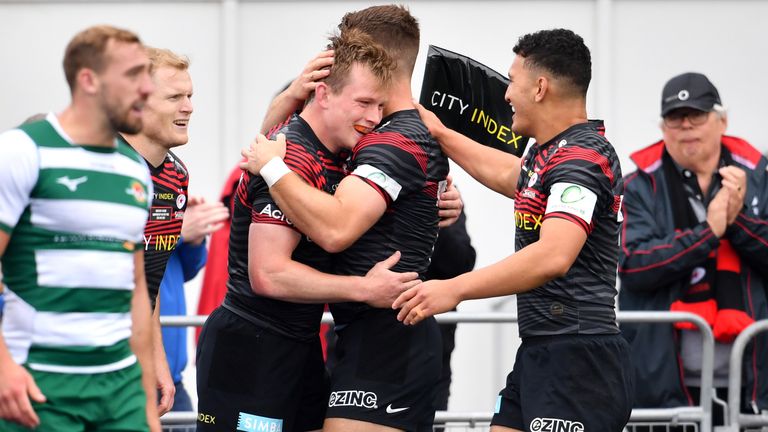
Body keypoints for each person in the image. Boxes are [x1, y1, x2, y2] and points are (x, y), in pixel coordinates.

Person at [390, 29, 634, 431]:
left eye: (513, 81)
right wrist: (441, 133)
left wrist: (454, 288)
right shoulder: (549, 152)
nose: (505, 94)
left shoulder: (582, 158)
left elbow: (554, 255)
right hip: (542, 349)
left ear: (540, 88)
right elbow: (509, 175)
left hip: (579, 358)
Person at [196, 30, 424, 432]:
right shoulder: (289, 157)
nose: (373, 117)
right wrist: (363, 289)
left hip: (300, 344)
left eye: (380, 106)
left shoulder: (340, 152)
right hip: (252, 344)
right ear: (322, 94)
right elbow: (268, 275)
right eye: (364, 102)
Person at [242, 6, 451, 431]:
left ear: (377, 61)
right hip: (357, 335)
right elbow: (260, 166)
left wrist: (273, 167)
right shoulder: (375, 133)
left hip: (390, 338)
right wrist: (286, 103)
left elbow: (336, 229)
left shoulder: (394, 138)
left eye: (353, 52)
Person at [0, 25, 160, 431]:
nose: (146, 88)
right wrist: (2, 367)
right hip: (39, 382)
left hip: (120, 384)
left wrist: (145, 407)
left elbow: (137, 290)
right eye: (133, 75)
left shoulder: (133, 170)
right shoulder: (22, 150)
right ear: (88, 80)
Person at [618, 72, 768, 427]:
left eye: (696, 115)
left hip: (754, 386)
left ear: (722, 121)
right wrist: (709, 233)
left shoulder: (761, 177)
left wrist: (738, 220)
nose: (686, 125)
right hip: (663, 388)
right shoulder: (638, 186)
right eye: (674, 117)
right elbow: (635, 266)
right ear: (663, 128)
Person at [121, 47, 229, 416]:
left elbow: (147, 283)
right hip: (77, 365)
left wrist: (159, 366)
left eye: (190, 96)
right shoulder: (99, 167)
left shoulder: (175, 175)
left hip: (135, 363)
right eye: (175, 97)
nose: (189, 107)